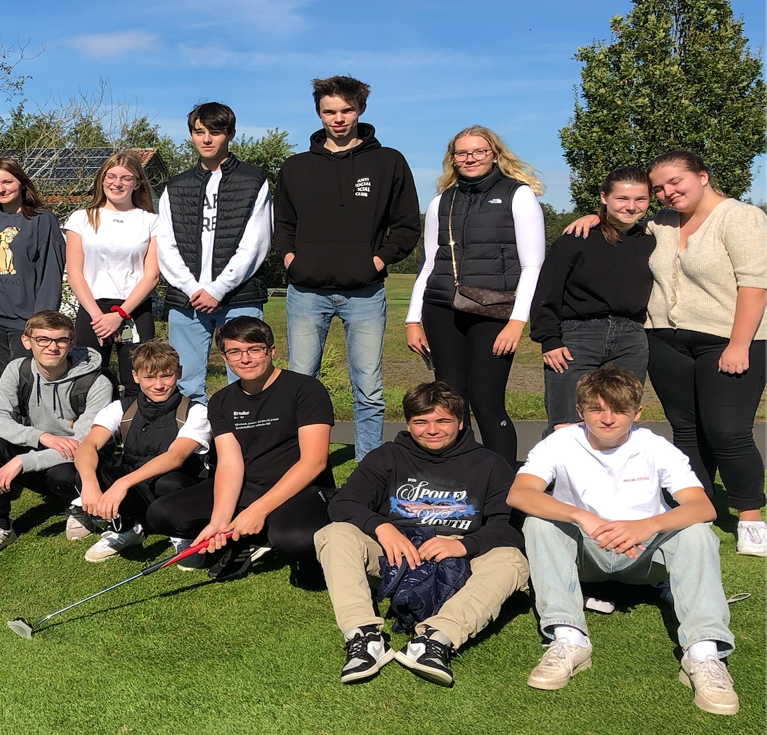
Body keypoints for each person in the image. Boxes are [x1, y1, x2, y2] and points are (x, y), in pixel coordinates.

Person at [507, 366, 740, 716]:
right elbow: (520, 493)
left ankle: (703, 653)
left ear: (637, 413)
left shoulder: (655, 446)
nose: (607, 419)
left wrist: (646, 526)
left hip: (645, 555)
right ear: (580, 410)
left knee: (697, 532)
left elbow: (702, 506)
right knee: (540, 523)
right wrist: (584, 517)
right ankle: (569, 638)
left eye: (619, 410)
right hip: (586, 553)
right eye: (596, 409)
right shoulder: (559, 443)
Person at [569, 151, 767, 555]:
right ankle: (699, 510)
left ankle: (750, 518)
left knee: (728, 431)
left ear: (703, 176)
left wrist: (739, 344)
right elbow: (622, 221)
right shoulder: (660, 222)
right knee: (687, 430)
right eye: (658, 188)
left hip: (727, 339)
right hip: (665, 339)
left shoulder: (740, 217)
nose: (667, 192)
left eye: (675, 182)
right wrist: (596, 217)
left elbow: (755, 285)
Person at [316, 381, 528, 687]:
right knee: (335, 533)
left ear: (460, 422)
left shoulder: (490, 464)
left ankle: (435, 640)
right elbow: (344, 502)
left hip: (459, 555)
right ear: (408, 424)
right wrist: (382, 527)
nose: (432, 430)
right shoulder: (387, 456)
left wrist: (465, 545)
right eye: (421, 422)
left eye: (443, 421)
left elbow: (508, 524)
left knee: (511, 560)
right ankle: (364, 636)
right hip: (397, 550)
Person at [275, 75, 421, 461]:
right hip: (306, 291)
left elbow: (406, 225)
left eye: (346, 110)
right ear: (318, 113)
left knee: (368, 387)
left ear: (361, 110)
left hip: (365, 292)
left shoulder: (389, 162)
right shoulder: (296, 167)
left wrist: (376, 260)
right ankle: (303, 464)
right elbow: (282, 225)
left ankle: (368, 465)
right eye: (329, 112)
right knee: (301, 383)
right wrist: (292, 260)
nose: (338, 119)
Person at [145, 317, 334, 585]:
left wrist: (258, 510)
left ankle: (284, 543)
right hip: (250, 486)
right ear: (225, 357)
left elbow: (314, 462)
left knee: (294, 539)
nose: (245, 359)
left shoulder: (305, 389)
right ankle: (242, 540)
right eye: (234, 352)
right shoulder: (221, 401)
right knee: (162, 514)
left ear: (271, 350)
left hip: (302, 488)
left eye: (254, 349)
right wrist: (219, 521)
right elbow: (230, 464)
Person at [405, 126, 547, 464]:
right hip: (442, 309)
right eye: (462, 153)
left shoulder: (518, 195)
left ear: (494, 155)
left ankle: (502, 481)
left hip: (494, 311)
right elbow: (429, 264)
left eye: (479, 151)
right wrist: (412, 320)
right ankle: (460, 474)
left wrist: (517, 322)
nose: (470, 158)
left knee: (487, 401)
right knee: (451, 400)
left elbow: (533, 264)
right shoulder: (442, 201)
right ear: (453, 159)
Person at [0, 311, 115, 563]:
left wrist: (21, 461)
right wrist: (42, 437)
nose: (52, 347)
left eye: (61, 340)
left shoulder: (97, 381)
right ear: (27, 342)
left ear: (72, 343)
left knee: (63, 474)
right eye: (43, 339)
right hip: (42, 447)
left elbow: (83, 444)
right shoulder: (18, 370)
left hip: (79, 460)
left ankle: (77, 507)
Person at [154, 102, 273, 404]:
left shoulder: (253, 180)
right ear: (191, 135)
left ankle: (245, 434)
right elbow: (165, 244)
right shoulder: (176, 186)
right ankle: (197, 436)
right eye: (199, 132)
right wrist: (192, 288)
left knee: (248, 379)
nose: (206, 139)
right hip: (187, 299)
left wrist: (218, 289)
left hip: (239, 297)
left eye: (215, 132)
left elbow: (256, 243)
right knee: (187, 384)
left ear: (230, 134)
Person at [531, 167, 655, 433]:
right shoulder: (577, 239)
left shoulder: (651, 241)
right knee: (567, 424)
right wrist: (549, 339)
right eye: (622, 198)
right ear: (604, 197)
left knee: (618, 422)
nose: (631, 206)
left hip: (631, 338)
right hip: (578, 336)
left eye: (640, 199)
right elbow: (547, 291)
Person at [73, 340, 212, 563]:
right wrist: (89, 484)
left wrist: (121, 484)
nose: (158, 385)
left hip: (178, 487)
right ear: (135, 376)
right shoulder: (120, 407)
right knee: (87, 471)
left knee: (168, 482)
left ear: (179, 373)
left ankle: (183, 534)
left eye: (166, 376)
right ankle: (126, 528)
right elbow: (88, 446)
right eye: (149, 377)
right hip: (139, 486)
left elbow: (175, 457)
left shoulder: (196, 412)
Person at [64, 151, 161, 397]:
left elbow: (151, 275)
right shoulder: (81, 219)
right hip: (93, 310)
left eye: (126, 178)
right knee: (88, 382)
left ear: (137, 183)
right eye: (111, 176)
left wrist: (120, 315)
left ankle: (135, 422)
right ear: (102, 179)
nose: (117, 183)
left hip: (134, 310)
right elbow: (74, 272)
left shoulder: (151, 221)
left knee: (138, 381)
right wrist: (99, 318)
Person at [0, 158, 66, 393]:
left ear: (22, 182)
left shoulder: (42, 219)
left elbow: (51, 274)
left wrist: (42, 322)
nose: (0, 189)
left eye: (7, 182)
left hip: (26, 320)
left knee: (28, 384)